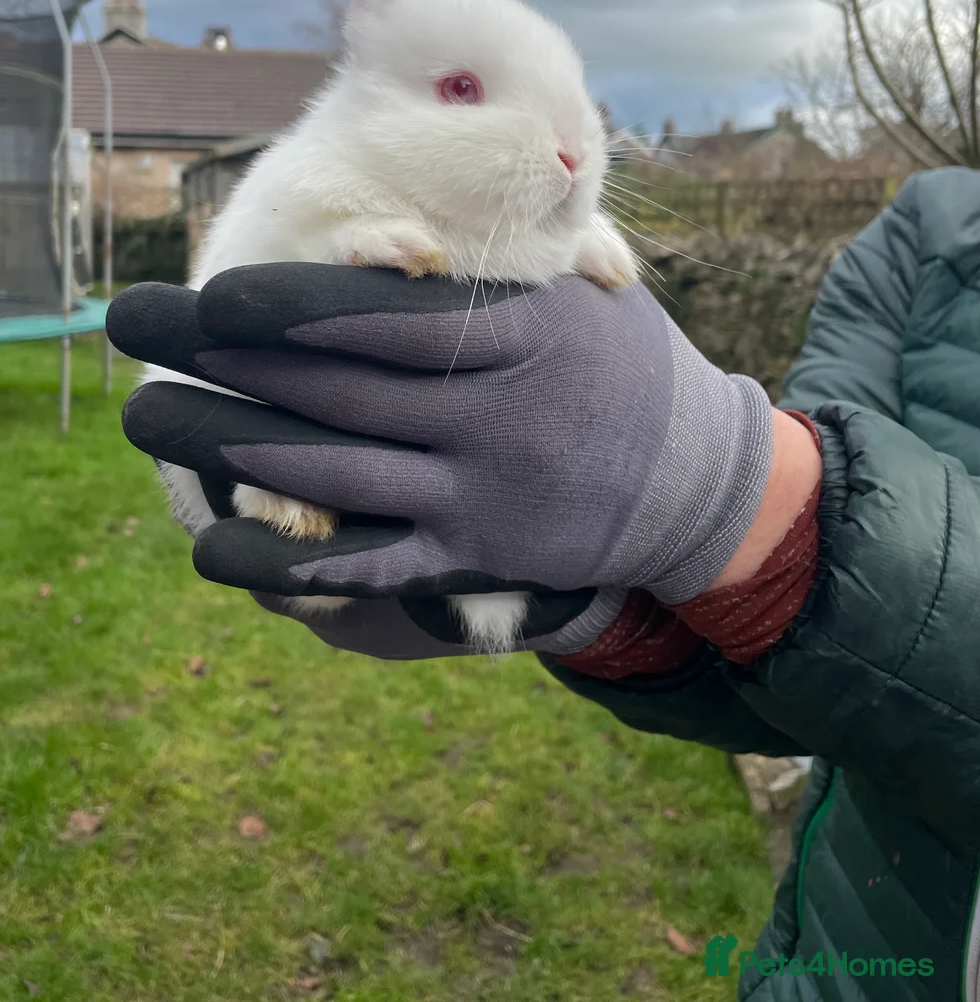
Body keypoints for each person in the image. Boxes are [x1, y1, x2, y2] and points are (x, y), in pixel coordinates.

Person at [107, 166, 980, 1001]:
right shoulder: (929, 228)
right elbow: (832, 664)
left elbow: (799, 519)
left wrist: (731, 490)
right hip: (848, 947)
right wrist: (611, 609)